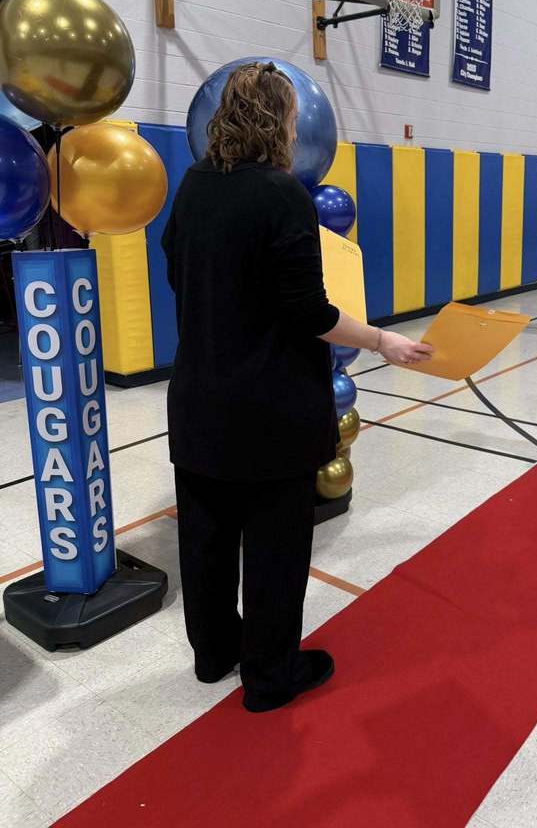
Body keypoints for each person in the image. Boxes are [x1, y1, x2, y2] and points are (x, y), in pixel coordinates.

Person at [161, 61, 432, 713]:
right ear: (280, 122)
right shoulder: (281, 194)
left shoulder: (193, 185)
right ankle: (270, 673)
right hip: (269, 412)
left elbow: (179, 274)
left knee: (207, 542)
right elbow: (307, 311)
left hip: (198, 402)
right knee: (275, 549)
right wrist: (380, 339)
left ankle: (214, 653)